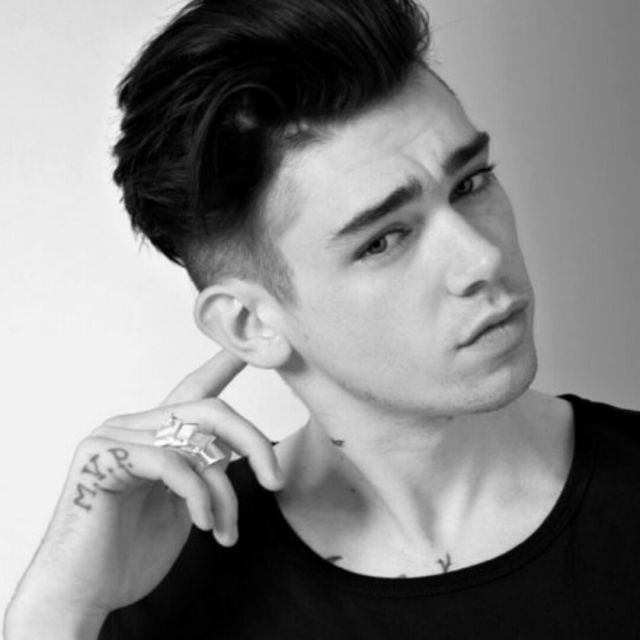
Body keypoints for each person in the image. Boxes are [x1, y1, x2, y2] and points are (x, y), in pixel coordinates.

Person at [5, 0, 640, 637]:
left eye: (470, 184)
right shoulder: (159, 583)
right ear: (250, 325)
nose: (482, 258)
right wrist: (59, 603)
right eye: (384, 240)